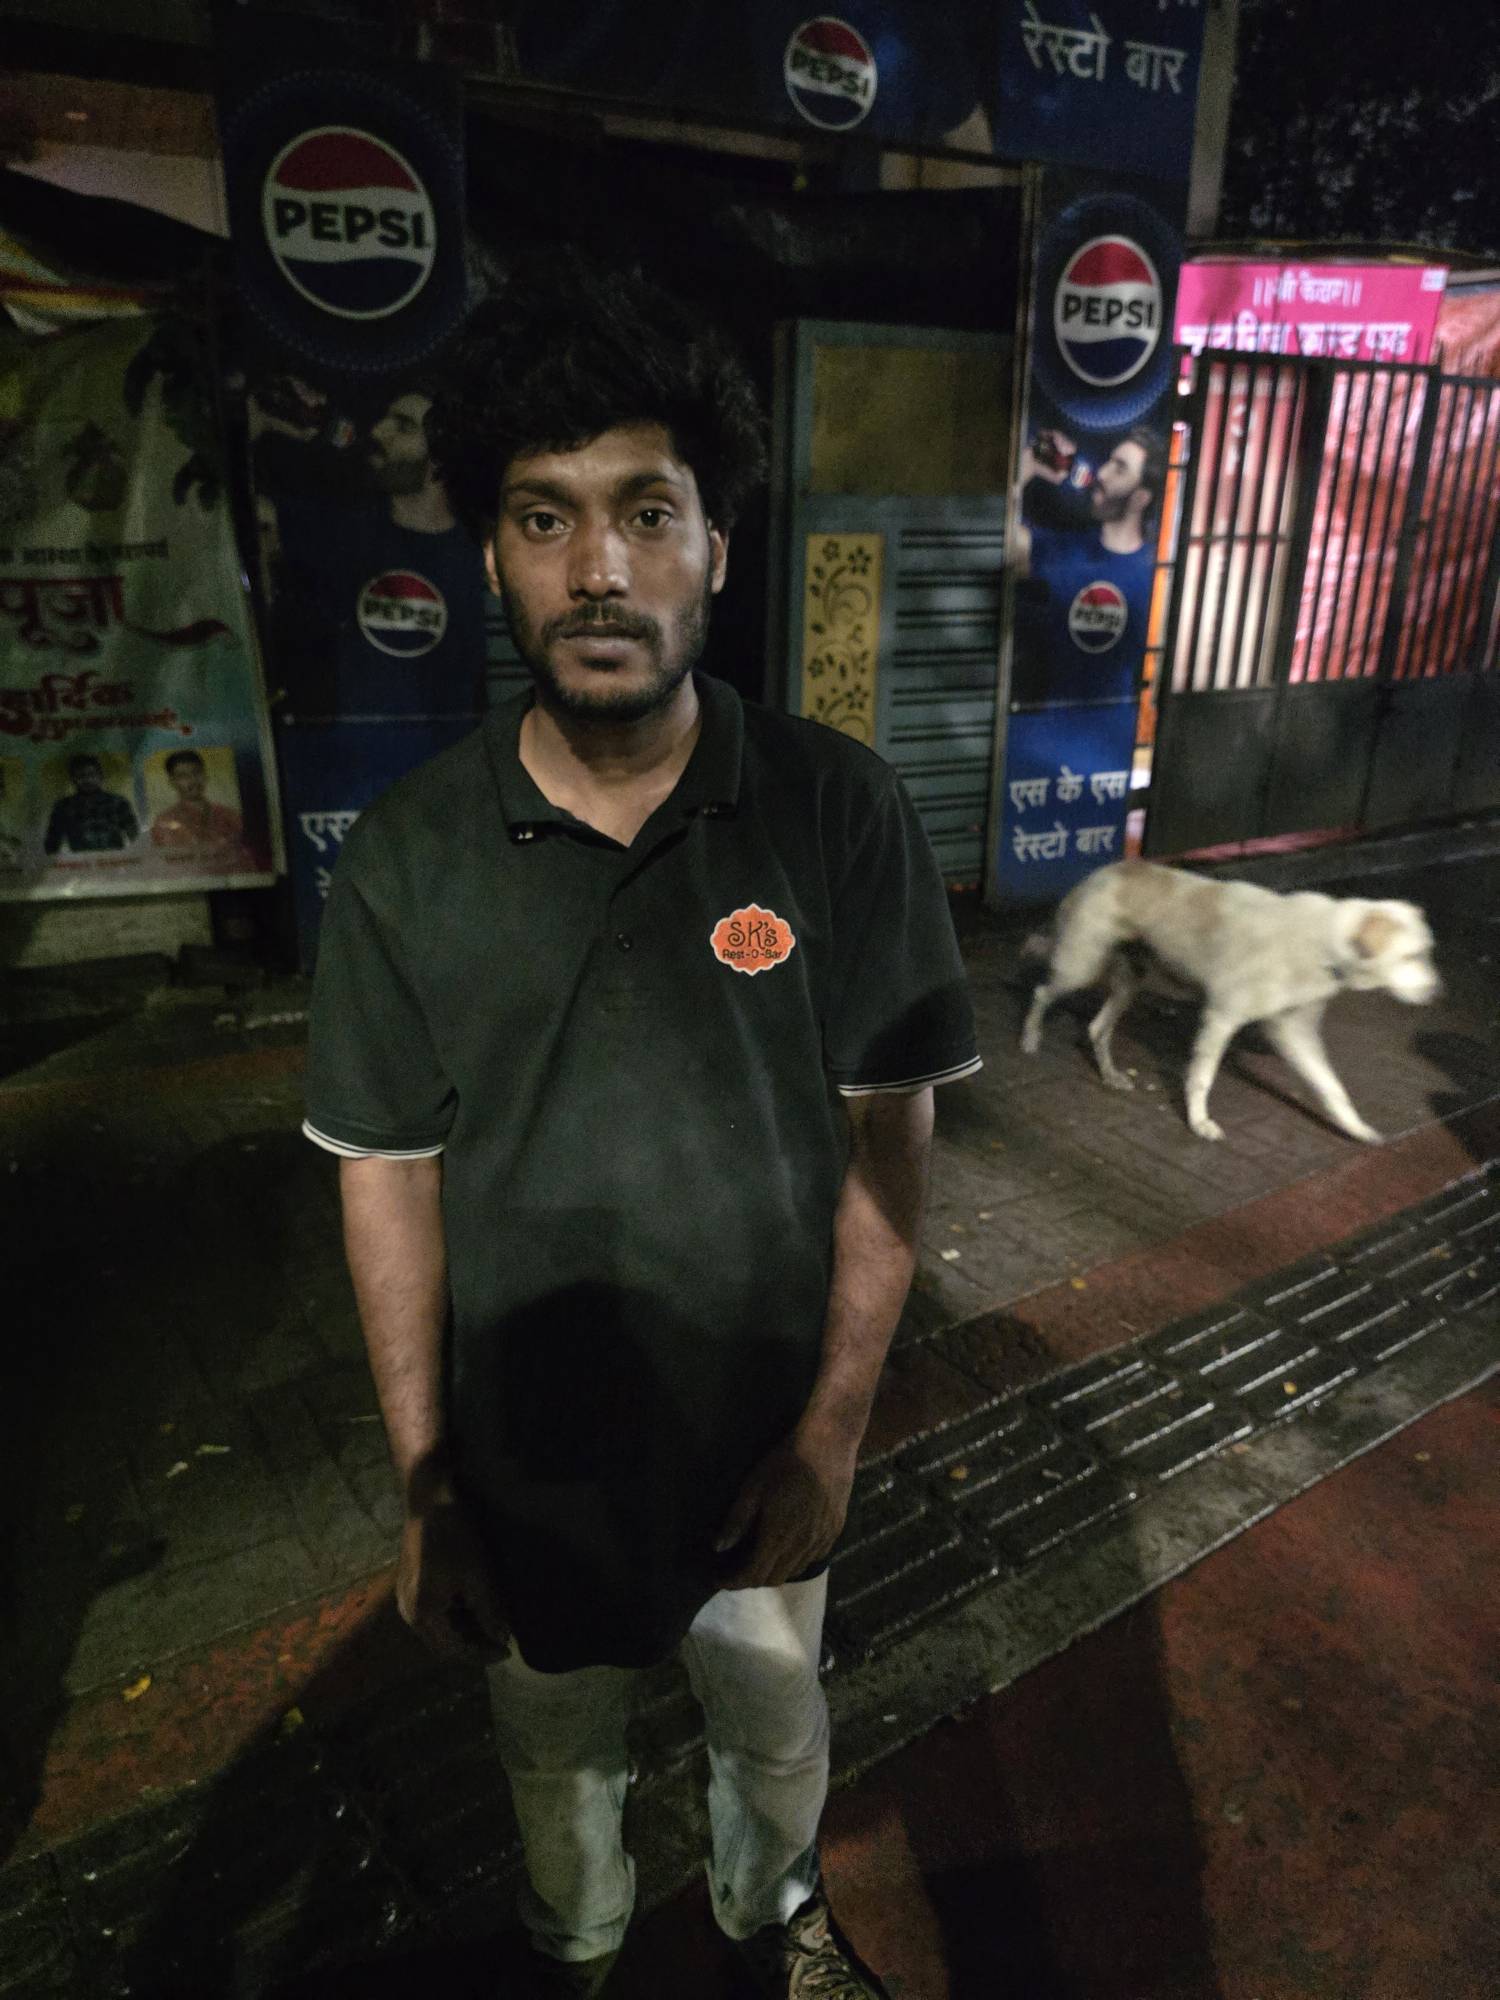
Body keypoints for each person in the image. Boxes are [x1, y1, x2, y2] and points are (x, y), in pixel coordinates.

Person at [301, 262, 981, 1999]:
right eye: (546, 518)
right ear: (493, 556)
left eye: (647, 513)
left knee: (774, 1719)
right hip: (525, 1469)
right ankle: (578, 1945)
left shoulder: (836, 811)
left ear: (717, 549)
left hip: (761, 1451)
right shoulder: (407, 860)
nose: (599, 568)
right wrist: (429, 1485)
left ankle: (771, 1922)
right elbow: (388, 1181)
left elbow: (890, 1133)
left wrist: (831, 1435)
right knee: (551, 1752)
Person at [251, 377, 487, 719]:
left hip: (443, 748)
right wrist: (257, 423)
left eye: (403, 426)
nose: (378, 431)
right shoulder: (341, 531)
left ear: (441, 460)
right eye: (384, 419)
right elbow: (242, 512)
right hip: (342, 748)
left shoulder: (479, 555)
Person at [1012, 425, 1166, 700]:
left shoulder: (1157, 574)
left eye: (1119, 468)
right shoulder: (1069, 548)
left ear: (1141, 498)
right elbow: (1003, 546)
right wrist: (1026, 468)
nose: (1102, 473)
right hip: (1050, 718)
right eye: (1109, 462)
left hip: (1115, 721)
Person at [42, 753, 138, 854]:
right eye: (81, 776)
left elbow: (135, 837)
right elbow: (52, 844)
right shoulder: (63, 807)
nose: (87, 780)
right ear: (73, 779)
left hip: (116, 861)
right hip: (81, 862)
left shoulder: (118, 803)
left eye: (92, 774)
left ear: (100, 776)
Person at [150, 748, 244, 851]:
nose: (192, 780)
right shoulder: (164, 822)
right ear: (172, 782)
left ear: (205, 775)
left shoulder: (229, 816)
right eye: (183, 776)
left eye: (196, 772)